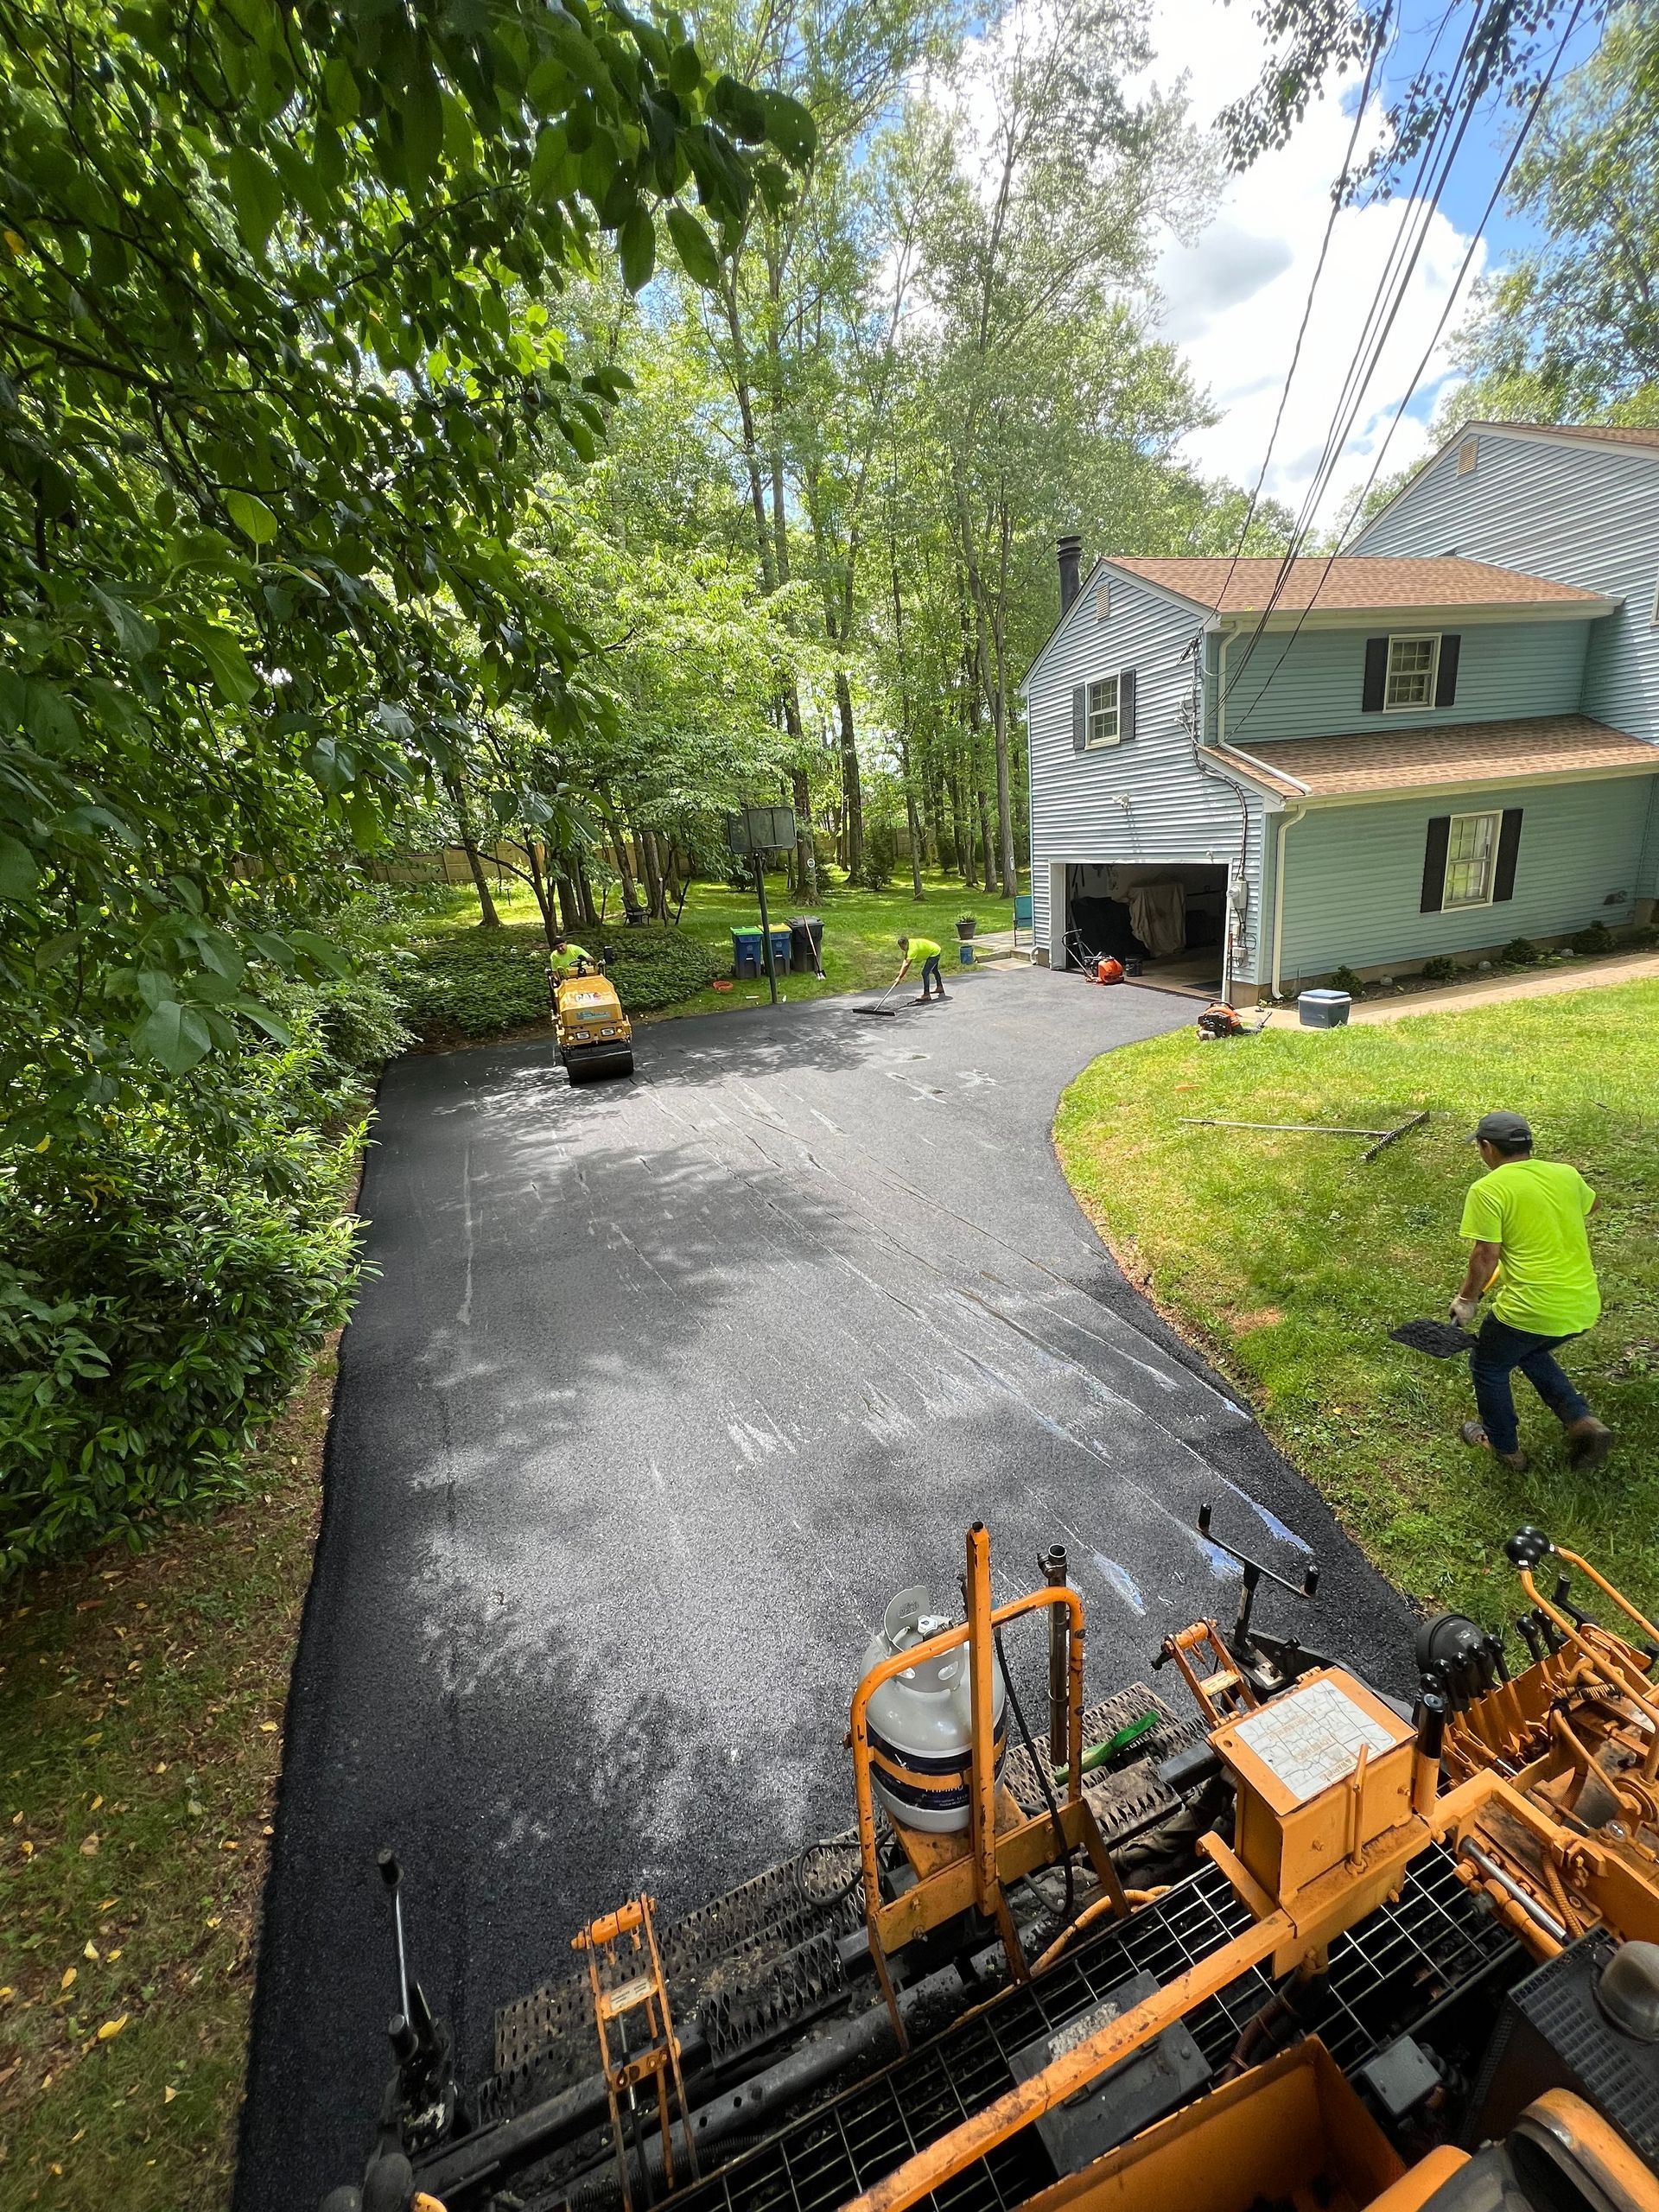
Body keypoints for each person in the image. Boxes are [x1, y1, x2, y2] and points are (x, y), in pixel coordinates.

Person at [1450, 1109, 1611, 1473]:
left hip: (1531, 1309)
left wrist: (1466, 1301)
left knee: (1489, 1364)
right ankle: (1581, 1421)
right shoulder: (1566, 1174)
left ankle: (1505, 1449)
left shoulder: (1489, 1188)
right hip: (1581, 1307)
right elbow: (1594, 1204)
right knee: (1530, 1350)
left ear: (1487, 1148)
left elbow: (1485, 1255)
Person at [895, 931, 947, 1004]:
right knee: (934, 970)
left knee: (925, 973)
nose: (902, 949)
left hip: (934, 953)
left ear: (905, 944)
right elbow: (905, 959)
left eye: (902, 947)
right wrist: (899, 976)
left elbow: (907, 965)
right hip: (934, 949)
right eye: (900, 947)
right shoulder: (910, 942)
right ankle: (940, 987)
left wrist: (900, 978)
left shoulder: (912, 950)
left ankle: (926, 994)